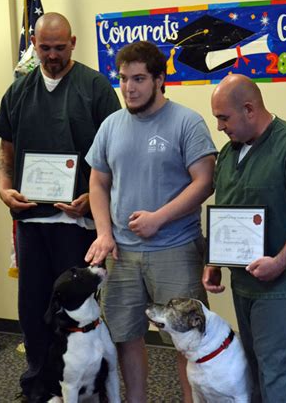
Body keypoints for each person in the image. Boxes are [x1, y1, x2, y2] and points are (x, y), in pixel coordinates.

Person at [0, 12, 121, 400]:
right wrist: (3, 187)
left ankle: (86, 386)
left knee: (79, 315)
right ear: (33, 42)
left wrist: (93, 199)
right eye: (44, 47)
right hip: (31, 221)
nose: (51, 55)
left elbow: (115, 155)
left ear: (74, 43)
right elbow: (5, 150)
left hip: (76, 223)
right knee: (33, 311)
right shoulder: (19, 90)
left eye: (59, 47)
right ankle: (39, 386)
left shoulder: (94, 88)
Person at [84, 41, 217, 403]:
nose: (129, 87)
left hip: (175, 248)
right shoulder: (111, 125)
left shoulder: (187, 122)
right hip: (122, 254)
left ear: (160, 79)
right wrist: (103, 233)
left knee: (186, 340)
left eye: (139, 78)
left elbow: (205, 181)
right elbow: (97, 181)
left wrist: (159, 218)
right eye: (124, 78)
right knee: (126, 335)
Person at [203, 74, 286, 402]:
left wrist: (280, 262)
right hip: (248, 285)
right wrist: (215, 260)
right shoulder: (229, 154)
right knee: (258, 376)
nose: (219, 126)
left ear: (249, 109)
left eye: (223, 118)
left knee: (282, 380)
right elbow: (230, 208)